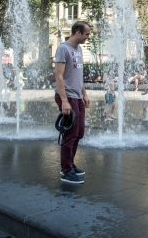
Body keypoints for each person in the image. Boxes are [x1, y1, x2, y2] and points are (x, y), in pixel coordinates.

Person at [54, 21, 91, 184]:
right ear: (78, 32)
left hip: (77, 96)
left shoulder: (79, 49)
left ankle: (70, 164)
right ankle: (66, 170)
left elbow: (78, 75)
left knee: (79, 132)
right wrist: (64, 101)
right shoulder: (63, 48)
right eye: (87, 34)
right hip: (67, 97)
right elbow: (58, 75)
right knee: (71, 134)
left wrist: (84, 93)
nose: (88, 37)